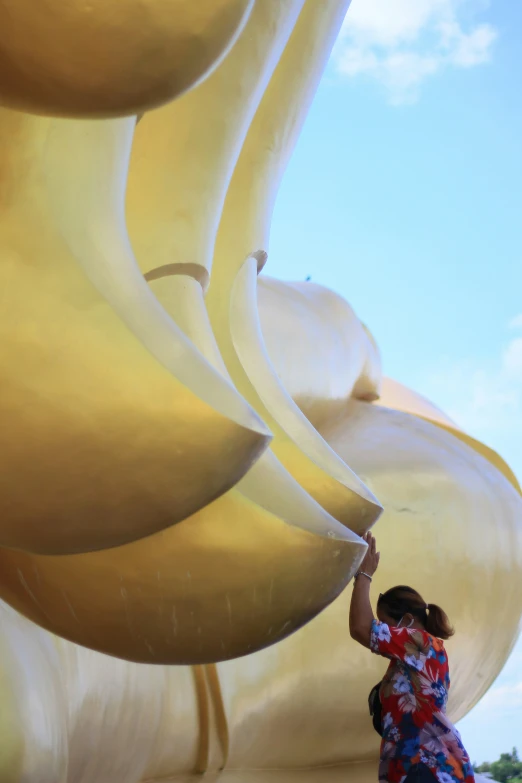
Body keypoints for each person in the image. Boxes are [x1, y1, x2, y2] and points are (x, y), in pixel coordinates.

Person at [349, 532, 475, 783]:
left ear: (407, 620)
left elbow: (361, 628)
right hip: (412, 769)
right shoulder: (409, 660)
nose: (386, 631)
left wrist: (363, 575)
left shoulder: (421, 644)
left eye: (386, 623)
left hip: (428, 769)